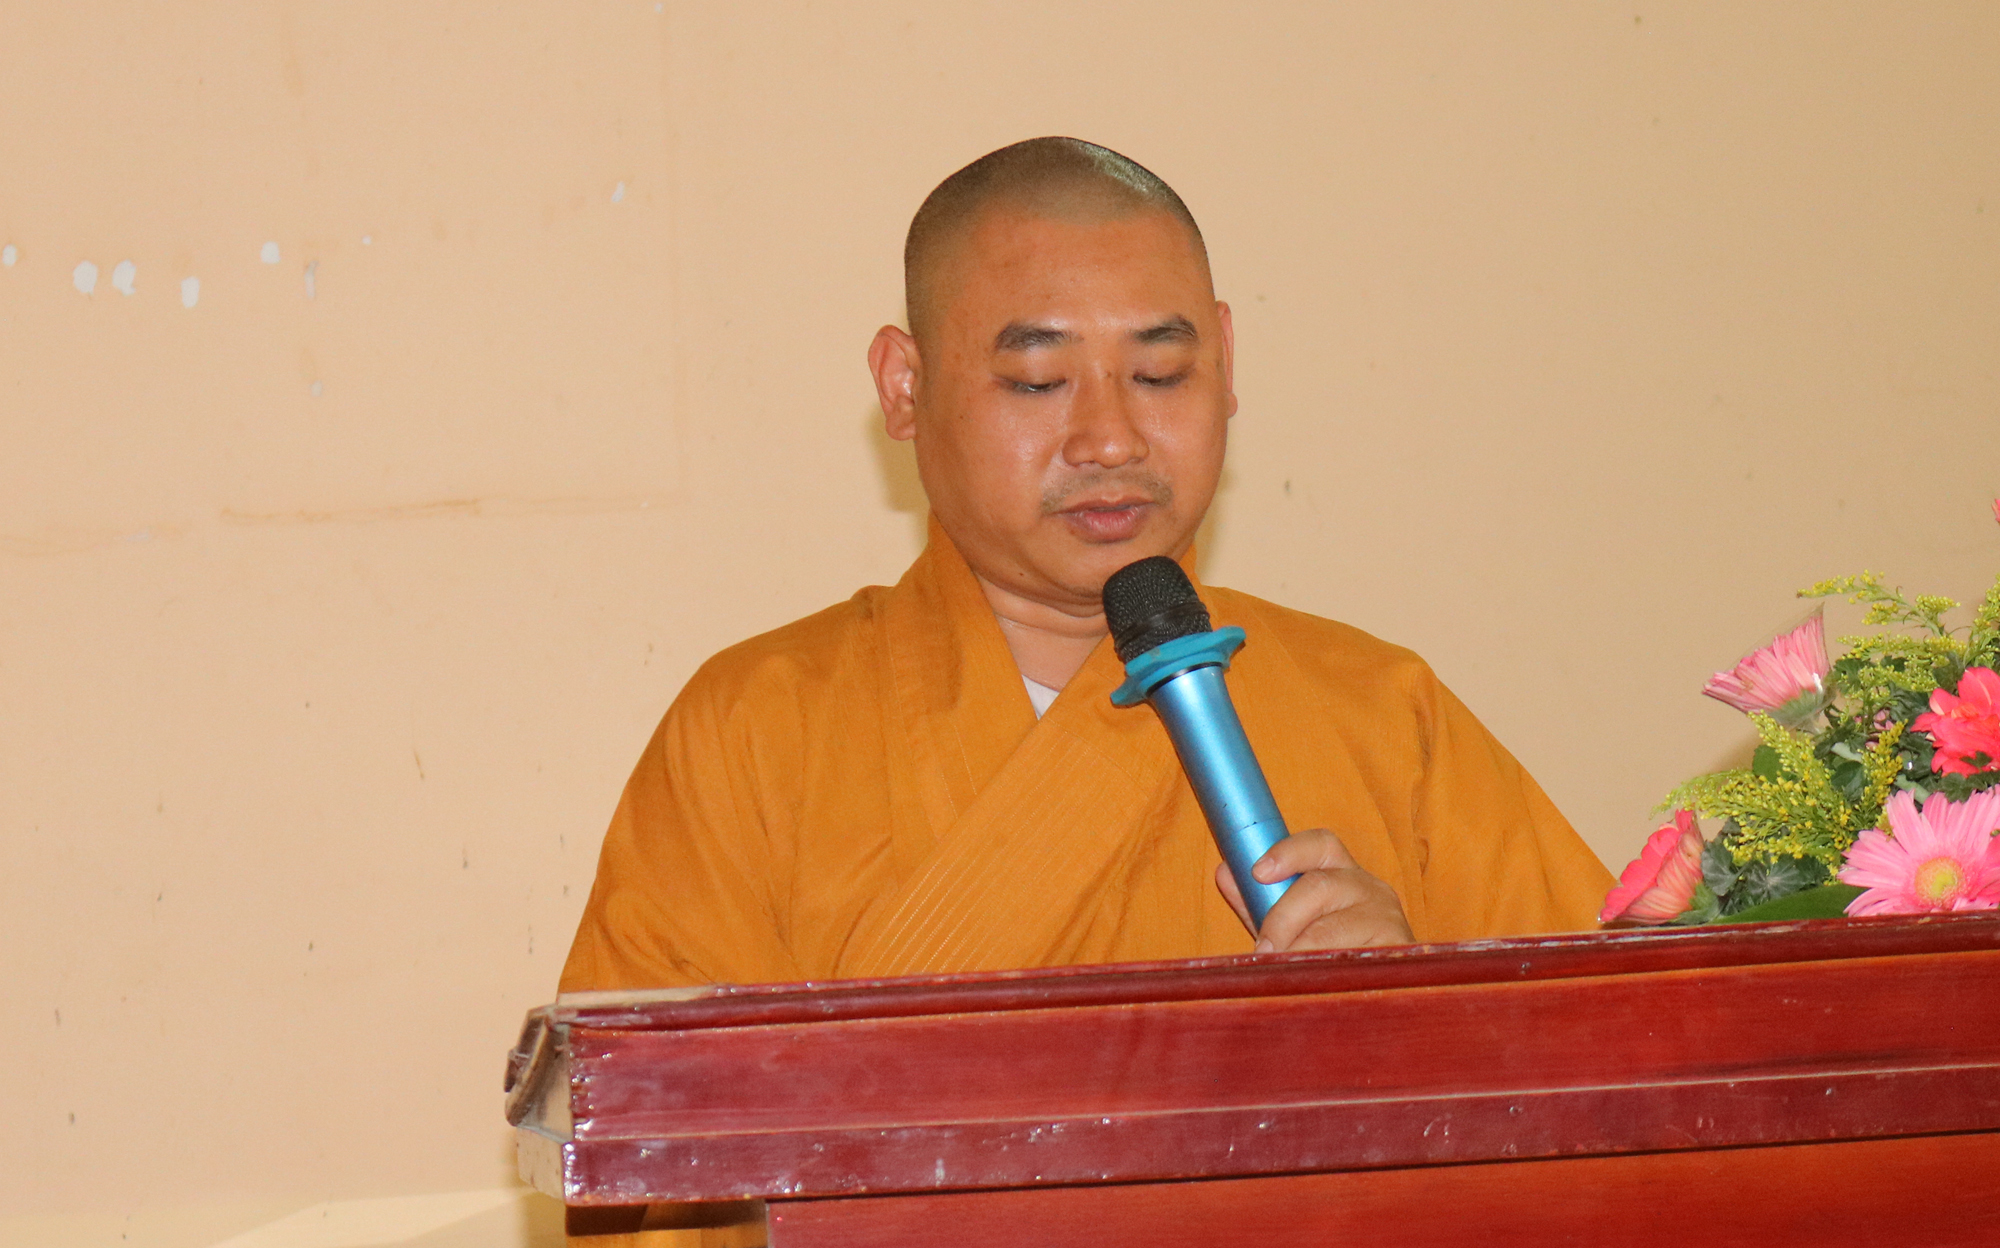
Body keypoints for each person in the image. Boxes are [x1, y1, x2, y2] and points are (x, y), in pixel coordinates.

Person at [559, 137, 1610, 992]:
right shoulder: (757, 730)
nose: (1109, 439)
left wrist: (1425, 1009)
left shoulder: (1381, 713)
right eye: (1037, 381)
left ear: (1225, 364)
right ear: (904, 386)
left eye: (1160, 372)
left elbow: (1626, 1068)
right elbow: (649, 1145)